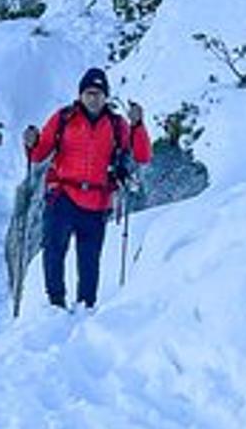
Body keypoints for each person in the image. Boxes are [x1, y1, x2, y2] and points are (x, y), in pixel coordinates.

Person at [23, 67, 152, 310]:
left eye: (99, 93)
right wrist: (32, 142)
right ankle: (56, 303)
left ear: (106, 96)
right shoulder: (63, 118)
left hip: (98, 200)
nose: (94, 98)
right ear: (81, 94)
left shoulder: (118, 125)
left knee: (90, 260)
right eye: (89, 93)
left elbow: (143, 156)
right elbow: (40, 154)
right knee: (53, 249)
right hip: (62, 195)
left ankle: (86, 307)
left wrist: (138, 125)